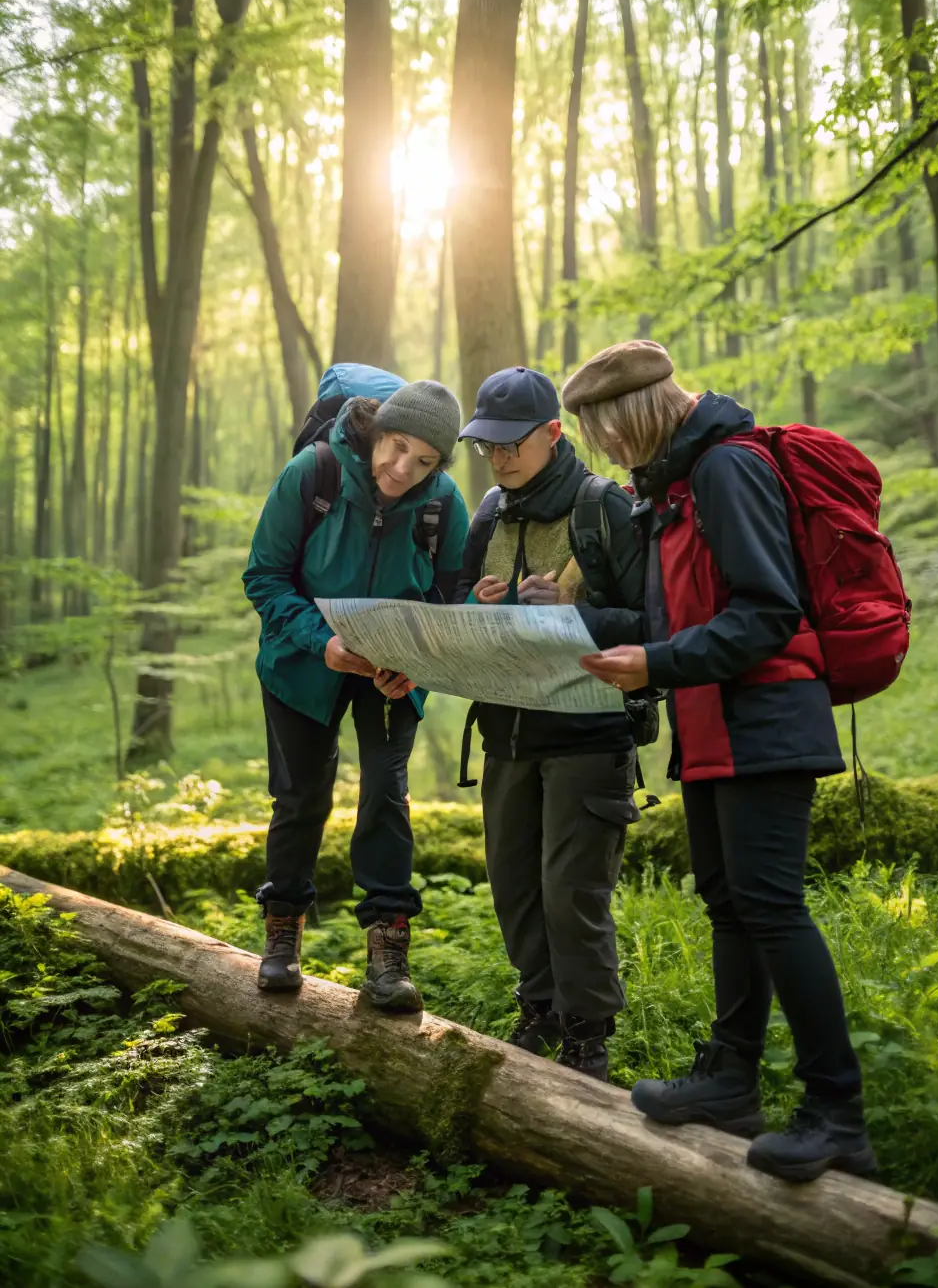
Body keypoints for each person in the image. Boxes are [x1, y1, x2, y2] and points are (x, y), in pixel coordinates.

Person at [563, 340, 875, 1181]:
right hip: (713, 726)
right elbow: (670, 624)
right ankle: (732, 1079)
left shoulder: (727, 472)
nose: (607, 453)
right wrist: (576, 626)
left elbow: (766, 612)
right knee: (729, 905)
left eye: (605, 434)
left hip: (767, 719)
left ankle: (836, 1113)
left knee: (772, 909)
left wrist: (657, 664)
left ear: (630, 415)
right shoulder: (670, 489)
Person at [243, 371, 468, 1011]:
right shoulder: (312, 475)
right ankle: (282, 938)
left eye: (425, 460)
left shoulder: (441, 502)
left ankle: (388, 956)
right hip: (302, 662)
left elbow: (451, 597)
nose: (404, 468)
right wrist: (324, 643)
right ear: (377, 430)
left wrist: (416, 661)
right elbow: (264, 578)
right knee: (300, 796)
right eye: (397, 447)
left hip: (391, 670)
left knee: (387, 795)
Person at [452, 365, 645, 1082]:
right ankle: (539, 1010)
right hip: (506, 731)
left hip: (589, 734)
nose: (498, 458)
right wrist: (479, 605)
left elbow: (656, 621)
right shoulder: (488, 515)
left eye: (511, 444)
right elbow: (456, 611)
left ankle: (589, 1035)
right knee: (515, 885)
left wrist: (573, 617)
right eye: (487, 445)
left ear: (553, 434)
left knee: (572, 893)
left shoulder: (605, 509)